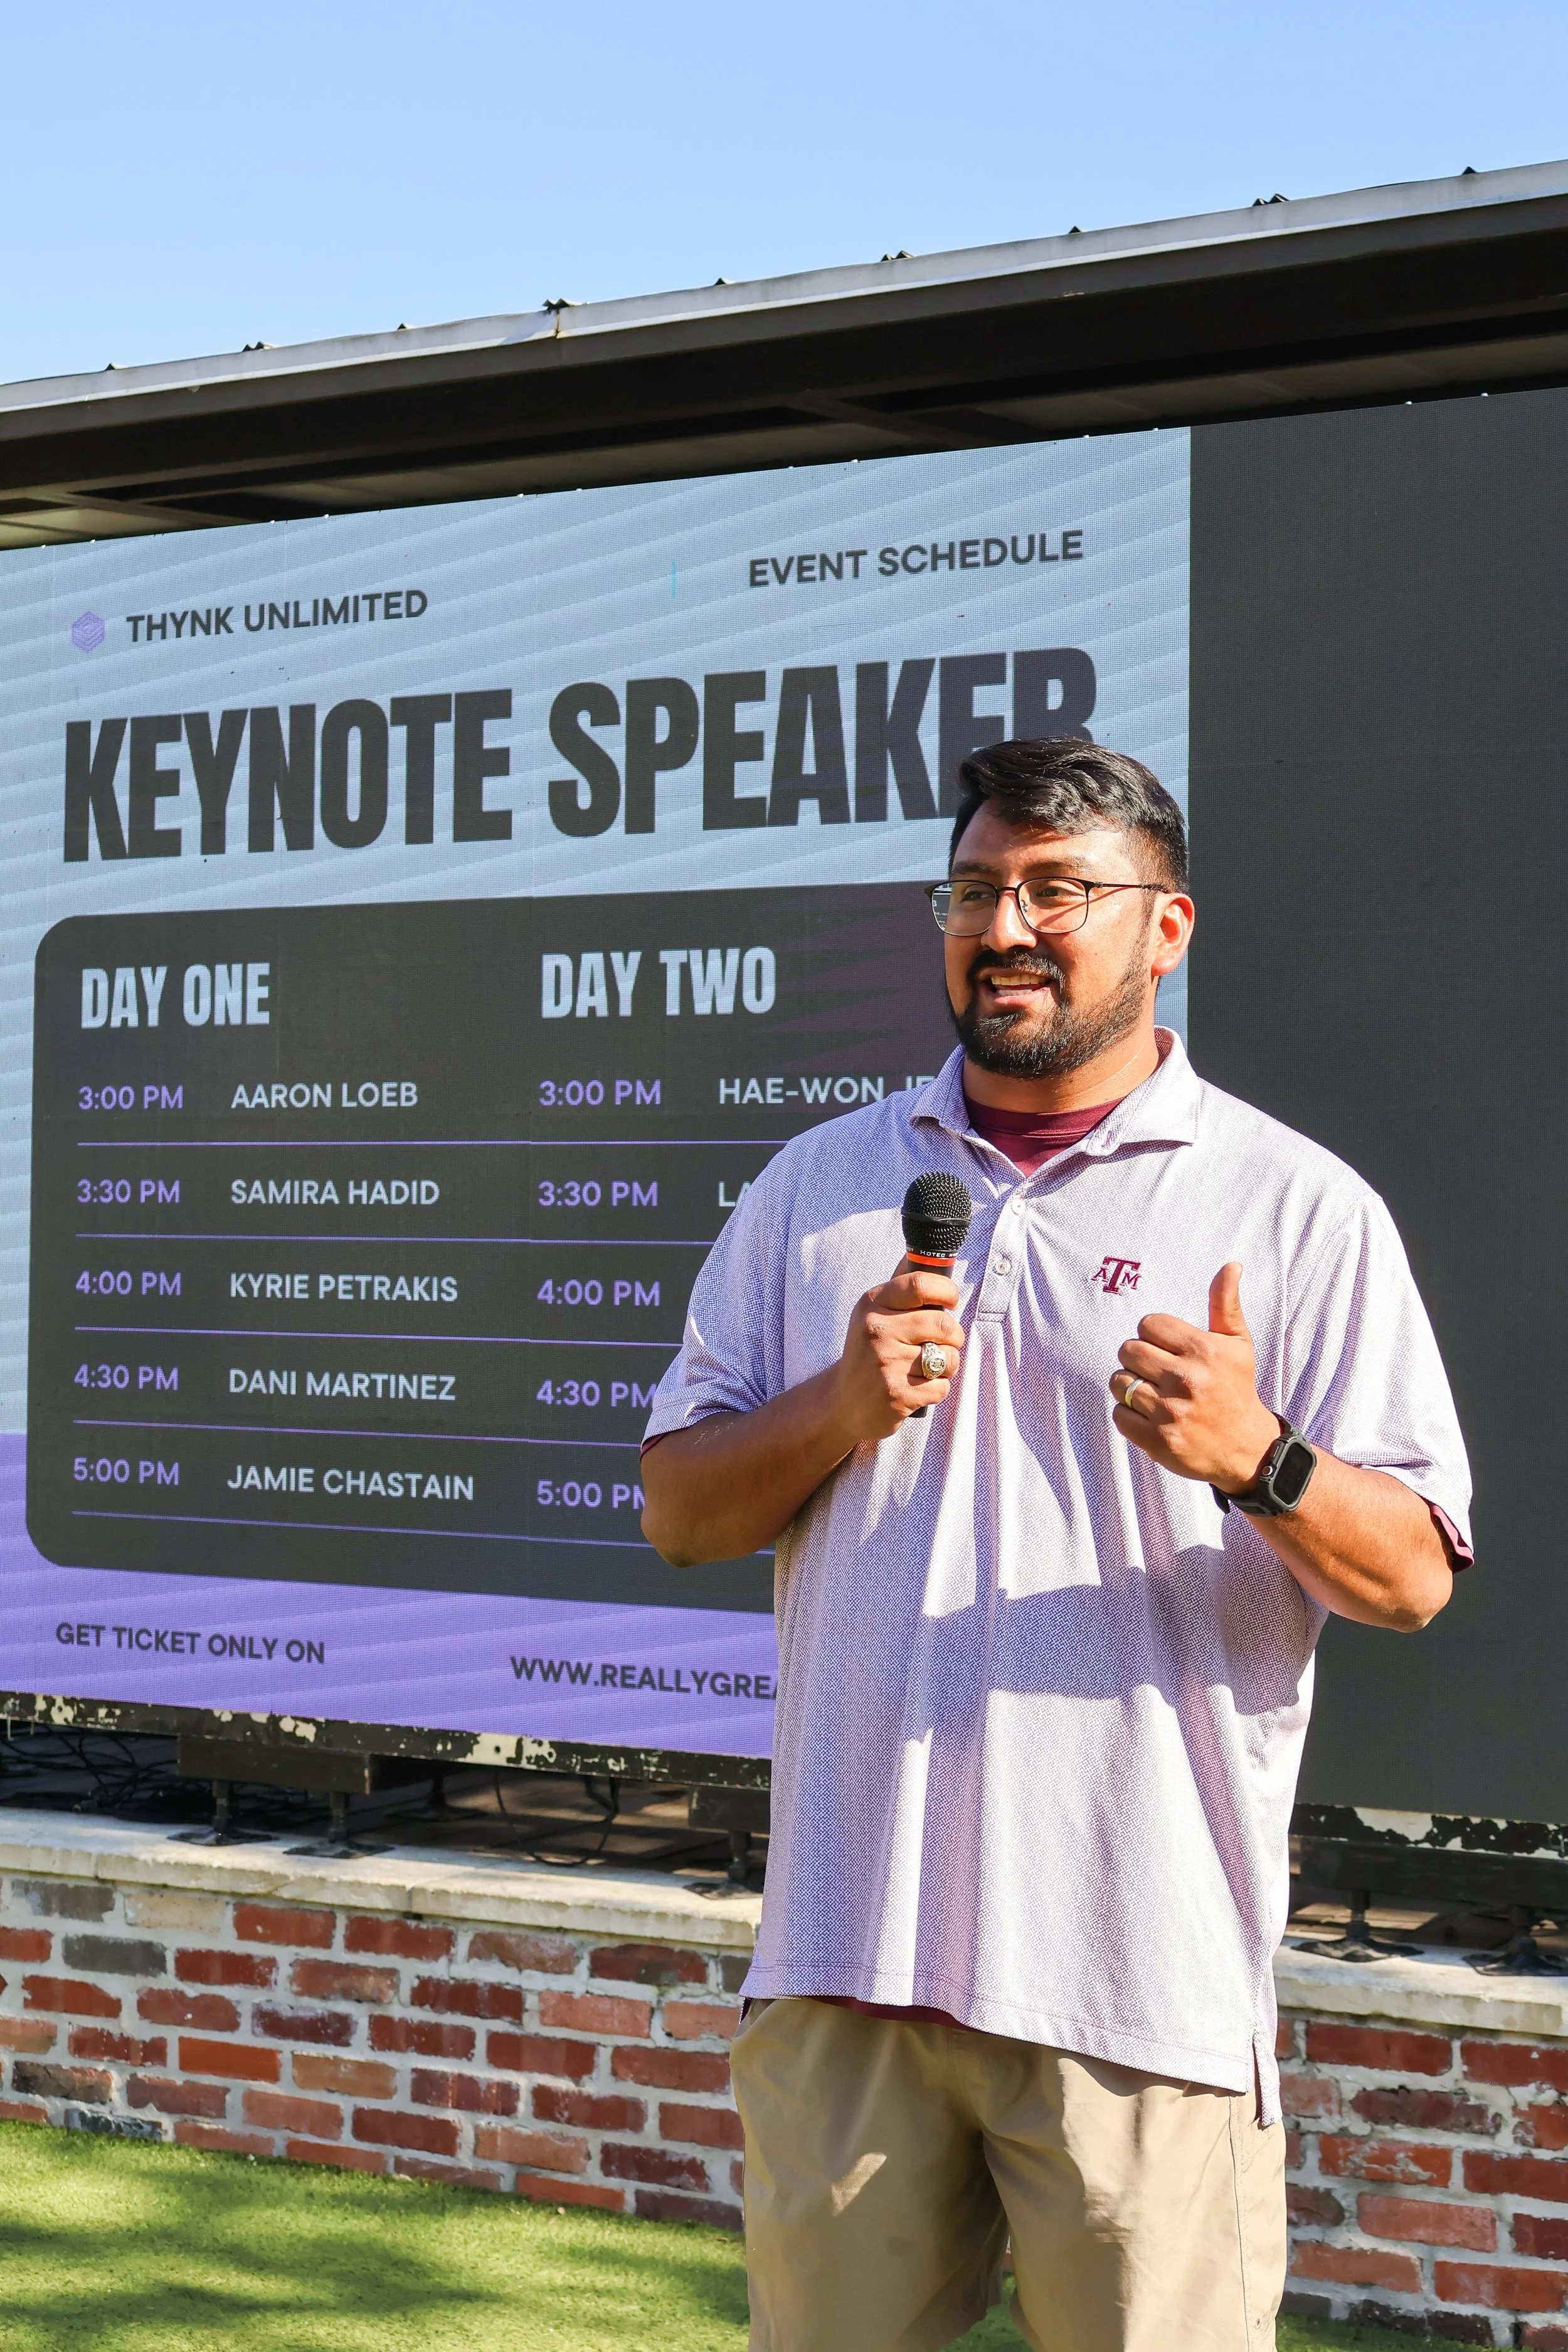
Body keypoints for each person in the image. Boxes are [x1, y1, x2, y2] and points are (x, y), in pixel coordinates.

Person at [640, 737, 1471, 2352]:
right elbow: (679, 1511)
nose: (1003, 925)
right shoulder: (820, 1184)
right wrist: (835, 1407)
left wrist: (1261, 1459)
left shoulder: (1293, 1206)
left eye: (1055, 890)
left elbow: (1412, 1577)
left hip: (1135, 1982)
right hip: (844, 1960)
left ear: (1165, 929)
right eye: (973, 890)